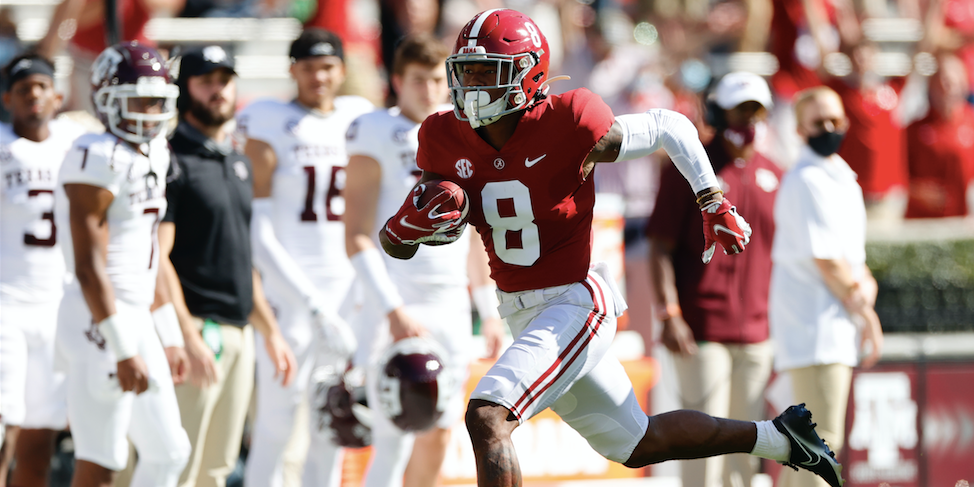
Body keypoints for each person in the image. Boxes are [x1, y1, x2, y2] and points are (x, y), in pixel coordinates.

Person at [379, 9, 844, 487]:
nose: (474, 86)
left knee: (487, 417)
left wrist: (712, 199)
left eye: (489, 72)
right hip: (520, 312)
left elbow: (669, 126)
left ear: (529, 73)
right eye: (467, 71)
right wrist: (405, 226)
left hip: (575, 301)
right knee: (638, 443)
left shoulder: (570, 119)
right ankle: (783, 438)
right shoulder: (441, 134)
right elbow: (404, 242)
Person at [340, 34, 505, 487]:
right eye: (419, 80)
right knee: (395, 435)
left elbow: (473, 234)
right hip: (396, 301)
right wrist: (391, 309)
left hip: (450, 304)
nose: (430, 90)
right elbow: (355, 233)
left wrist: (486, 311)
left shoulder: (460, 130)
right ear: (397, 81)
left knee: (439, 429)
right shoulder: (377, 131)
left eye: (438, 80)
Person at [157, 45, 297, 487]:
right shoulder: (169, 160)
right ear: (185, 90)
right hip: (197, 330)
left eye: (224, 80)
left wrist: (269, 329)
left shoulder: (236, 160)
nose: (218, 91)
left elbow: (241, 258)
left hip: (237, 330)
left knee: (215, 470)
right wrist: (185, 330)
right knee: (177, 462)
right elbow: (156, 257)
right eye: (206, 81)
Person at [53, 41, 191, 487]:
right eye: (137, 100)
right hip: (99, 318)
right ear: (107, 100)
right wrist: (122, 345)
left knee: (170, 452)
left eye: (156, 100)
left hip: (137, 315)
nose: (149, 111)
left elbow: (148, 256)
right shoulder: (95, 154)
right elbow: (90, 267)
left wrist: (168, 334)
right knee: (101, 461)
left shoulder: (154, 151)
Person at [238, 28, 371, 487]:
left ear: (342, 70)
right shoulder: (270, 120)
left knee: (332, 423)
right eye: (310, 67)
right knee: (275, 425)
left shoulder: (358, 117)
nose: (319, 76)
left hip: (343, 292)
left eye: (328, 66)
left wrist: (352, 295)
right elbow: (260, 228)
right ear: (293, 70)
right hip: (288, 294)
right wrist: (312, 303)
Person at [646, 71, 781, 487]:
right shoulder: (687, 168)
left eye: (756, 112)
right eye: (740, 111)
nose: (749, 122)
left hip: (757, 333)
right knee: (703, 452)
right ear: (718, 113)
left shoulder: (775, 173)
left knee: (748, 455)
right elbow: (660, 247)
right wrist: (669, 313)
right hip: (701, 330)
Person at [769, 86, 884, 487]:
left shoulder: (839, 176)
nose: (830, 128)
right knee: (818, 447)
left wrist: (864, 290)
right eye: (819, 122)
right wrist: (865, 311)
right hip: (814, 331)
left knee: (809, 447)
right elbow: (828, 260)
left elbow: (851, 258)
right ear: (799, 129)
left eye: (835, 120)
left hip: (828, 328)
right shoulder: (806, 180)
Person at [0, 53, 85, 487]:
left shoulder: (77, 142)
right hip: (6, 302)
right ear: (7, 98)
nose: (33, 95)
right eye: (22, 89)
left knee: (41, 433)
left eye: (40, 86)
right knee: (3, 426)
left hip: (55, 304)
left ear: (56, 94)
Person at [905, 53, 974, 218]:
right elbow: (896, 177)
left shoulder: (971, 122)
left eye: (951, 81)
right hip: (926, 222)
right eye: (941, 81)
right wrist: (917, 192)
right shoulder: (915, 130)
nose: (946, 87)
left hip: (966, 220)